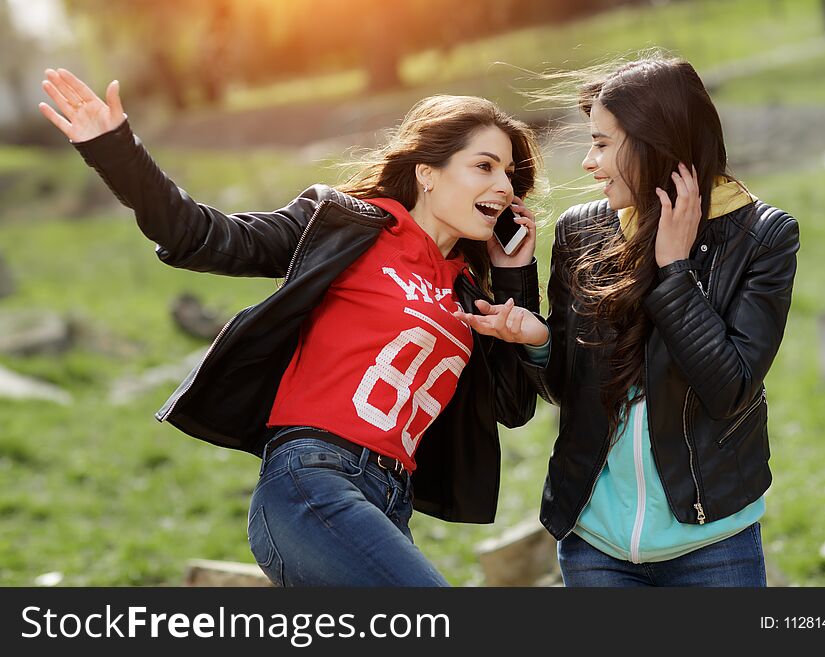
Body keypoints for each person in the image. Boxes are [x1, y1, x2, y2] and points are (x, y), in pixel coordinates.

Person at [39, 68, 546, 586]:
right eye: (484, 166)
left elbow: (512, 406)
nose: (504, 186)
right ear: (427, 172)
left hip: (391, 501)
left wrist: (513, 276)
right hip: (312, 483)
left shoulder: (465, 291)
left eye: (509, 173)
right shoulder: (345, 227)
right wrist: (115, 149)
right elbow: (198, 235)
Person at [456, 55, 800, 586]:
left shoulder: (764, 236)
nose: (589, 163)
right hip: (596, 542)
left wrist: (675, 267)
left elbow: (729, 387)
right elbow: (567, 392)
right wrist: (537, 333)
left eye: (601, 143)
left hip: (713, 541)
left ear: (655, 141)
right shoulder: (582, 231)